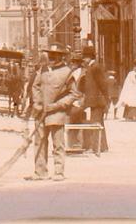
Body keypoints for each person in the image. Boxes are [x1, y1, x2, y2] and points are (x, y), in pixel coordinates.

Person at [27, 43, 80, 182]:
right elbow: (35, 86)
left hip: (57, 113)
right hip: (41, 113)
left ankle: (59, 171)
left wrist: (57, 105)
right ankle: (40, 171)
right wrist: (38, 104)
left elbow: (74, 94)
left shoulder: (67, 72)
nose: (51, 57)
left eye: (54, 55)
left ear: (61, 56)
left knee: (58, 143)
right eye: (49, 54)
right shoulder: (42, 70)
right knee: (39, 142)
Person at [80, 47, 110, 151]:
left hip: (97, 100)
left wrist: (106, 99)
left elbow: (103, 84)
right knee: (98, 123)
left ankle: (97, 146)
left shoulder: (95, 67)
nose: (83, 59)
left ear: (89, 57)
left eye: (85, 57)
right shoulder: (91, 67)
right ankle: (102, 146)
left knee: (96, 123)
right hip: (94, 100)